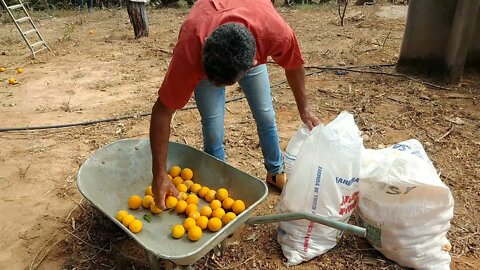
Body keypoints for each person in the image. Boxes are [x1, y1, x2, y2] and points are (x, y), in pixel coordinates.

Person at [150, 0, 320, 209]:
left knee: (265, 115)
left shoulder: (274, 31)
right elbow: (162, 111)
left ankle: (275, 172)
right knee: (213, 128)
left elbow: (294, 65)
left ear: (253, 63)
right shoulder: (191, 47)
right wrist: (159, 174)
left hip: (250, 40)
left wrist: (304, 108)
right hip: (207, 40)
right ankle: (218, 190)